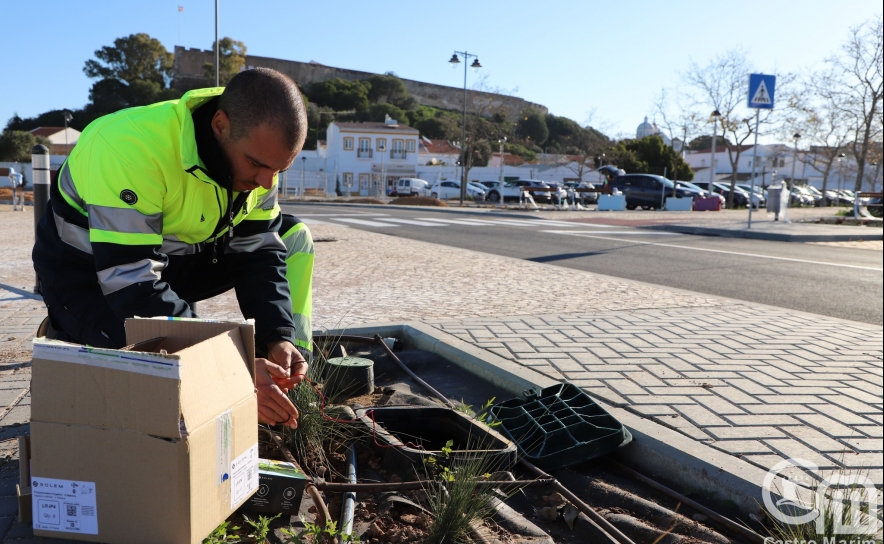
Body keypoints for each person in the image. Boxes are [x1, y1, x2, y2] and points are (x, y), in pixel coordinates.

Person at [32, 68, 313, 429]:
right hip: (92, 277)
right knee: (159, 373)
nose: (266, 182)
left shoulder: (260, 157)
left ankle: (272, 368)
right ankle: (69, 325)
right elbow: (131, 282)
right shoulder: (127, 147)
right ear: (220, 125)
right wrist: (231, 365)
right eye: (258, 165)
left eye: (280, 169)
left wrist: (278, 336)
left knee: (292, 235)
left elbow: (258, 250)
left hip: (167, 265)